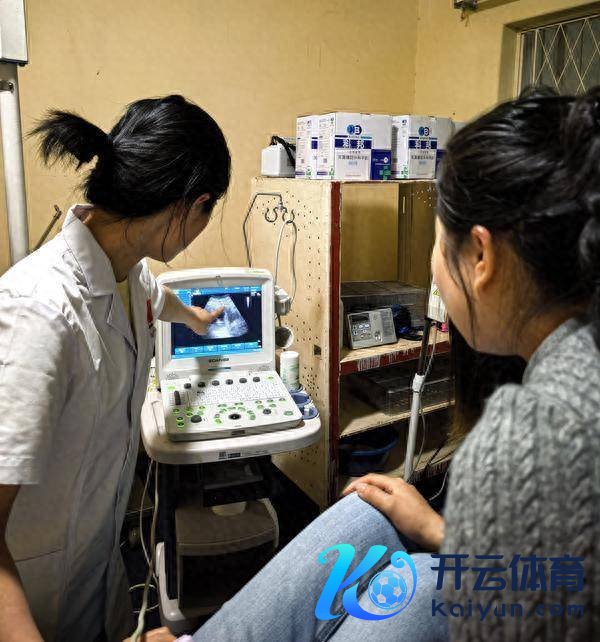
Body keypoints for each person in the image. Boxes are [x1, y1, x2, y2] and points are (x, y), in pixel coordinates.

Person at [141, 86, 600, 642]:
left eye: (437, 242)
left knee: (416, 577)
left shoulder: (534, 434)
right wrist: (439, 531)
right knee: (370, 512)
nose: (433, 268)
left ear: (481, 256)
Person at [0, 95, 231, 642]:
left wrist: (199, 318)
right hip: (31, 602)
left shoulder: (127, 271)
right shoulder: (39, 311)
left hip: (94, 571)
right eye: (208, 213)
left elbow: (158, 299)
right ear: (194, 205)